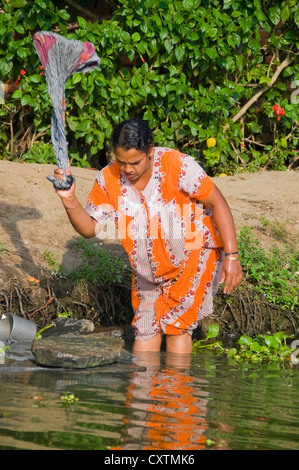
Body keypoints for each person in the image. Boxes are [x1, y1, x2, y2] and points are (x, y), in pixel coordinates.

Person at [53, 119, 242, 354]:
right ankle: (143, 388)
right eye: (121, 162)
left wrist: (232, 257)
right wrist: (68, 198)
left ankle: (176, 387)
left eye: (135, 162)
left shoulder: (177, 164)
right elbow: (90, 229)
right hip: (149, 266)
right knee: (146, 329)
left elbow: (217, 203)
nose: (127, 169)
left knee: (176, 327)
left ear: (150, 151)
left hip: (194, 249)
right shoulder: (107, 179)